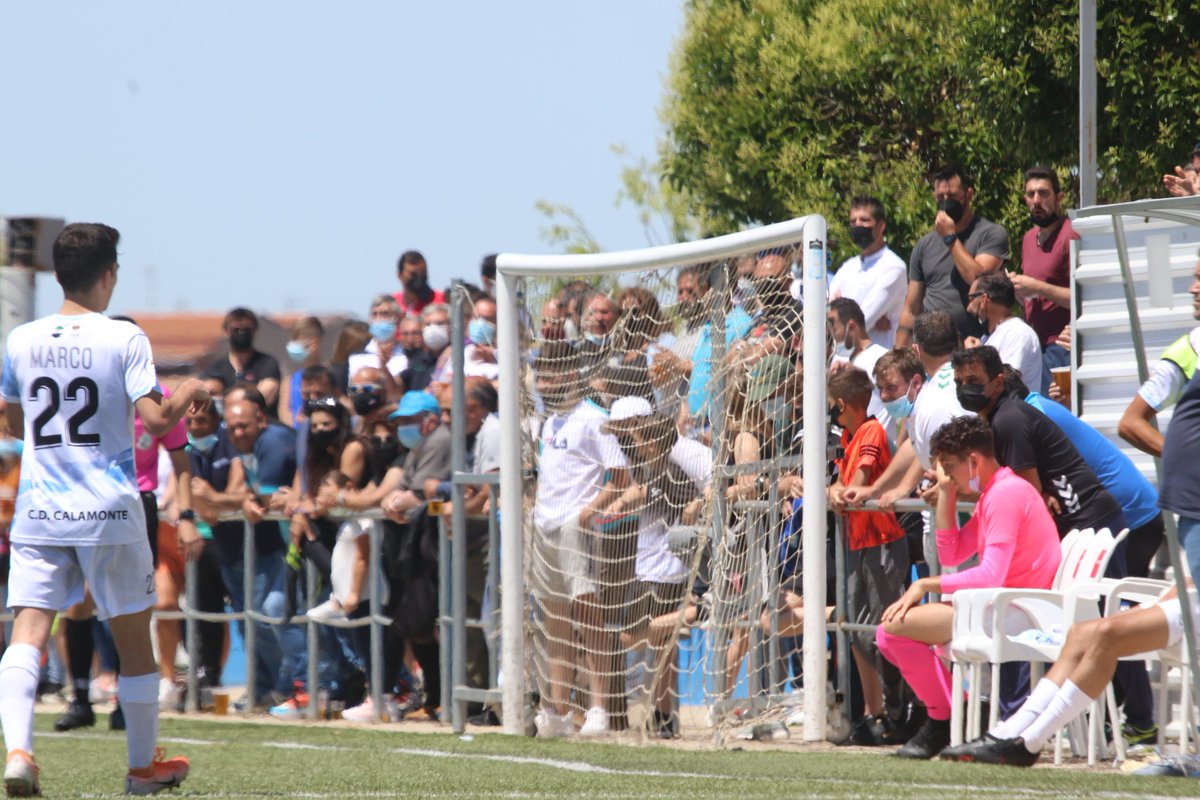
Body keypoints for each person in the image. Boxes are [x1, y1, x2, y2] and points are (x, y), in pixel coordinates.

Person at [0, 222, 204, 795]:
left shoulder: (21, 339)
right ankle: (142, 770)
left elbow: (14, 424)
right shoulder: (124, 338)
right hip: (108, 509)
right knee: (135, 641)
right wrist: (189, 390)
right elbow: (159, 421)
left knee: (29, 631)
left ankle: (19, 751)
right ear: (110, 273)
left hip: (40, 508)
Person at [876, 415, 1061, 759]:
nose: (944, 474)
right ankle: (946, 717)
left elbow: (990, 575)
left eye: (948, 467)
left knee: (892, 631)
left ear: (973, 461)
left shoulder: (1005, 495)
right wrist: (946, 493)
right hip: (1002, 606)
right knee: (889, 633)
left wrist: (924, 586)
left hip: (1018, 610)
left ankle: (943, 719)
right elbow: (952, 552)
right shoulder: (997, 491)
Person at [941, 582, 1198, 767]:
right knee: (1079, 633)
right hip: (1185, 596)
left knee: (1108, 632)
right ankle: (1010, 731)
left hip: (1193, 604)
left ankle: (1030, 742)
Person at [530, 346, 629, 738]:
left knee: (589, 619)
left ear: (571, 375)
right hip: (545, 526)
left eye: (550, 376)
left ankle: (599, 709)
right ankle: (558, 710)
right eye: (540, 377)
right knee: (555, 624)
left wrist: (588, 512)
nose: (543, 385)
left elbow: (619, 475)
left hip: (576, 527)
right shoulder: (549, 422)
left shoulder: (593, 419)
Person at [825, 367, 910, 746]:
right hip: (857, 545)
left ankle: (901, 710)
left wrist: (838, 493)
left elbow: (853, 488)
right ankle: (878, 713)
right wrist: (834, 492)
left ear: (842, 404)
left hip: (882, 544)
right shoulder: (849, 434)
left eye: (832, 406)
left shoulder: (872, 431)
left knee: (883, 632)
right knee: (859, 634)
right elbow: (839, 489)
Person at [897, 164, 1009, 347]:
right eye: (940, 197)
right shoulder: (924, 246)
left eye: (952, 196)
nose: (946, 201)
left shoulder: (990, 234)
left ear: (968, 195)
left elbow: (976, 277)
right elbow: (911, 309)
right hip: (933, 349)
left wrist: (950, 238)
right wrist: (899, 352)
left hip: (975, 345)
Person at [1119, 253, 1200, 457]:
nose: (1192, 289)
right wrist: (1186, 460)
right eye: (1196, 278)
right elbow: (1131, 423)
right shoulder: (1188, 349)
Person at [1009, 166, 1076, 393]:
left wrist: (1036, 286)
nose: (1036, 200)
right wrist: (1018, 289)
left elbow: (1081, 298)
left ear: (1059, 198)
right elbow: (1032, 300)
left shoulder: (1071, 235)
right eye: (1031, 194)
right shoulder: (1028, 239)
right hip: (1033, 346)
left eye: (1043, 194)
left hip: (1060, 346)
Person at [829, 196, 907, 349]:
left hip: (876, 360)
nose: (858, 225)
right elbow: (825, 311)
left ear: (881, 225)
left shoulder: (893, 267)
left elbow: (863, 320)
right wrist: (840, 311)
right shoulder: (847, 267)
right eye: (853, 221)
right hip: (841, 357)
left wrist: (839, 310)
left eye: (864, 220)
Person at [828, 298, 894, 447]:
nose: (831, 334)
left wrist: (859, 376)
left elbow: (899, 397)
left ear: (851, 326)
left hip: (877, 450)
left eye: (834, 326)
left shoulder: (883, 357)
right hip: (849, 448)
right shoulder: (838, 359)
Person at [965, 271, 1043, 394]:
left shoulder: (1018, 333)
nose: (968, 308)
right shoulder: (988, 337)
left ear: (983, 299)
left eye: (971, 299)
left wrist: (978, 356)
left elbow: (1007, 383)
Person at [205, 307, 281, 419]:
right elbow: (207, 398)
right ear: (226, 332)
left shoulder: (268, 363)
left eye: (246, 330)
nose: (241, 333)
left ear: (255, 331)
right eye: (235, 329)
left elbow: (263, 398)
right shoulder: (216, 368)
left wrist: (223, 399)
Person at [284, 316, 325, 427]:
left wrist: (311, 407)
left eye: (303, 339)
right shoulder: (290, 380)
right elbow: (284, 411)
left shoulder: (329, 375)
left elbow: (334, 402)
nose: (298, 344)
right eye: (295, 339)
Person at [393, 250, 446, 317]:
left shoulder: (442, 301)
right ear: (400, 275)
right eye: (413, 274)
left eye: (423, 273)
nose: (419, 277)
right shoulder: (393, 303)